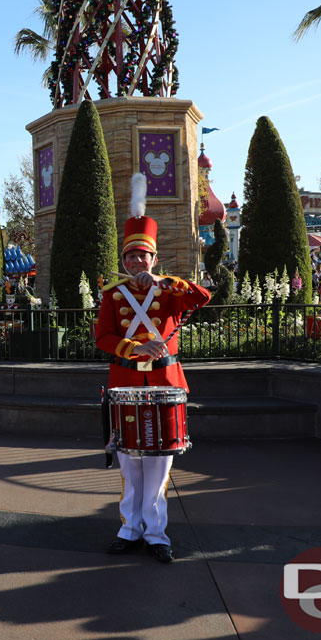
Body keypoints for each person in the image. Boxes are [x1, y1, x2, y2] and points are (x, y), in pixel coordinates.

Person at [94, 174, 211, 564]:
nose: (136, 262)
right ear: (123, 261)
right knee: (130, 465)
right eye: (130, 257)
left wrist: (165, 280)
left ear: (153, 258)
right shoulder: (113, 295)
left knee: (160, 469)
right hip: (127, 382)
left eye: (143, 256)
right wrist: (136, 346)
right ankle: (129, 530)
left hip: (163, 382)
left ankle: (157, 535)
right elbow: (103, 338)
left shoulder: (170, 290)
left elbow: (203, 297)